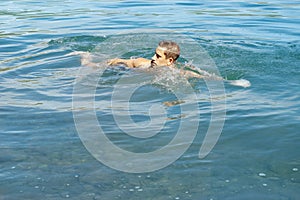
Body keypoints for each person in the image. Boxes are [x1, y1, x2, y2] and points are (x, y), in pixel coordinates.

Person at [71, 40, 204, 79]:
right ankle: (85, 57)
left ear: (169, 61)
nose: (152, 58)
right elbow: (116, 61)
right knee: (88, 65)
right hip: (124, 69)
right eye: (154, 54)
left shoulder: (179, 73)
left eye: (157, 56)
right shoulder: (141, 62)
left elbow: (206, 77)